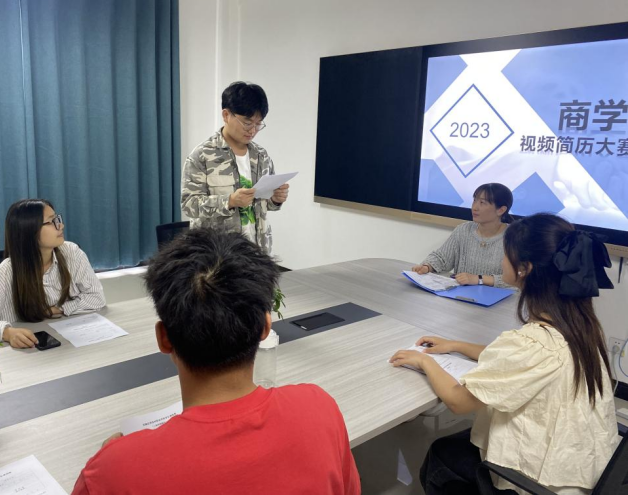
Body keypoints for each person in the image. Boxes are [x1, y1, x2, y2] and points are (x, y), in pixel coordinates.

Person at [72, 229, 360, 495]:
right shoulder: (320, 408)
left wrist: (112, 461)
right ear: (265, 327)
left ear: (163, 338)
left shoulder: (112, 473)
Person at [391, 213, 619, 495]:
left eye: (505, 254)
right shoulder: (580, 325)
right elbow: (518, 361)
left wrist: (423, 360)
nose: (501, 261)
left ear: (524, 269)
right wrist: (456, 345)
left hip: (539, 482)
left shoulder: (531, 342)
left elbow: (458, 401)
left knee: (441, 455)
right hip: (581, 464)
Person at [0, 199, 106, 348]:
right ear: (29, 231)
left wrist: (58, 309)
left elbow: (97, 298)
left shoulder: (71, 252)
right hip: (25, 350)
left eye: (57, 219)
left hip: (65, 340)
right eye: (51, 222)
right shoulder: (7, 271)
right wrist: (7, 333)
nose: (61, 225)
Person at [181, 81, 289, 254]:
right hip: (217, 254)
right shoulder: (202, 155)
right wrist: (230, 201)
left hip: (257, 251)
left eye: (258, 124)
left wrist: (276, 199)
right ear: (226, 115)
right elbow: (189, 205)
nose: (252, 130)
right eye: (247, 122)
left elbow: (265, 205)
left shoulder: (261, 156)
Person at [412, 183, 514, 288]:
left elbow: (518, 280)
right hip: (461, 294)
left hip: (498, 297)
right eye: (474, 200)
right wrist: (427, 266)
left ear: (501, 210)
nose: (474, 207)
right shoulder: (464, 229)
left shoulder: (514, 237)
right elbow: (442, 257)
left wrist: (479, 279)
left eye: (482, 203)